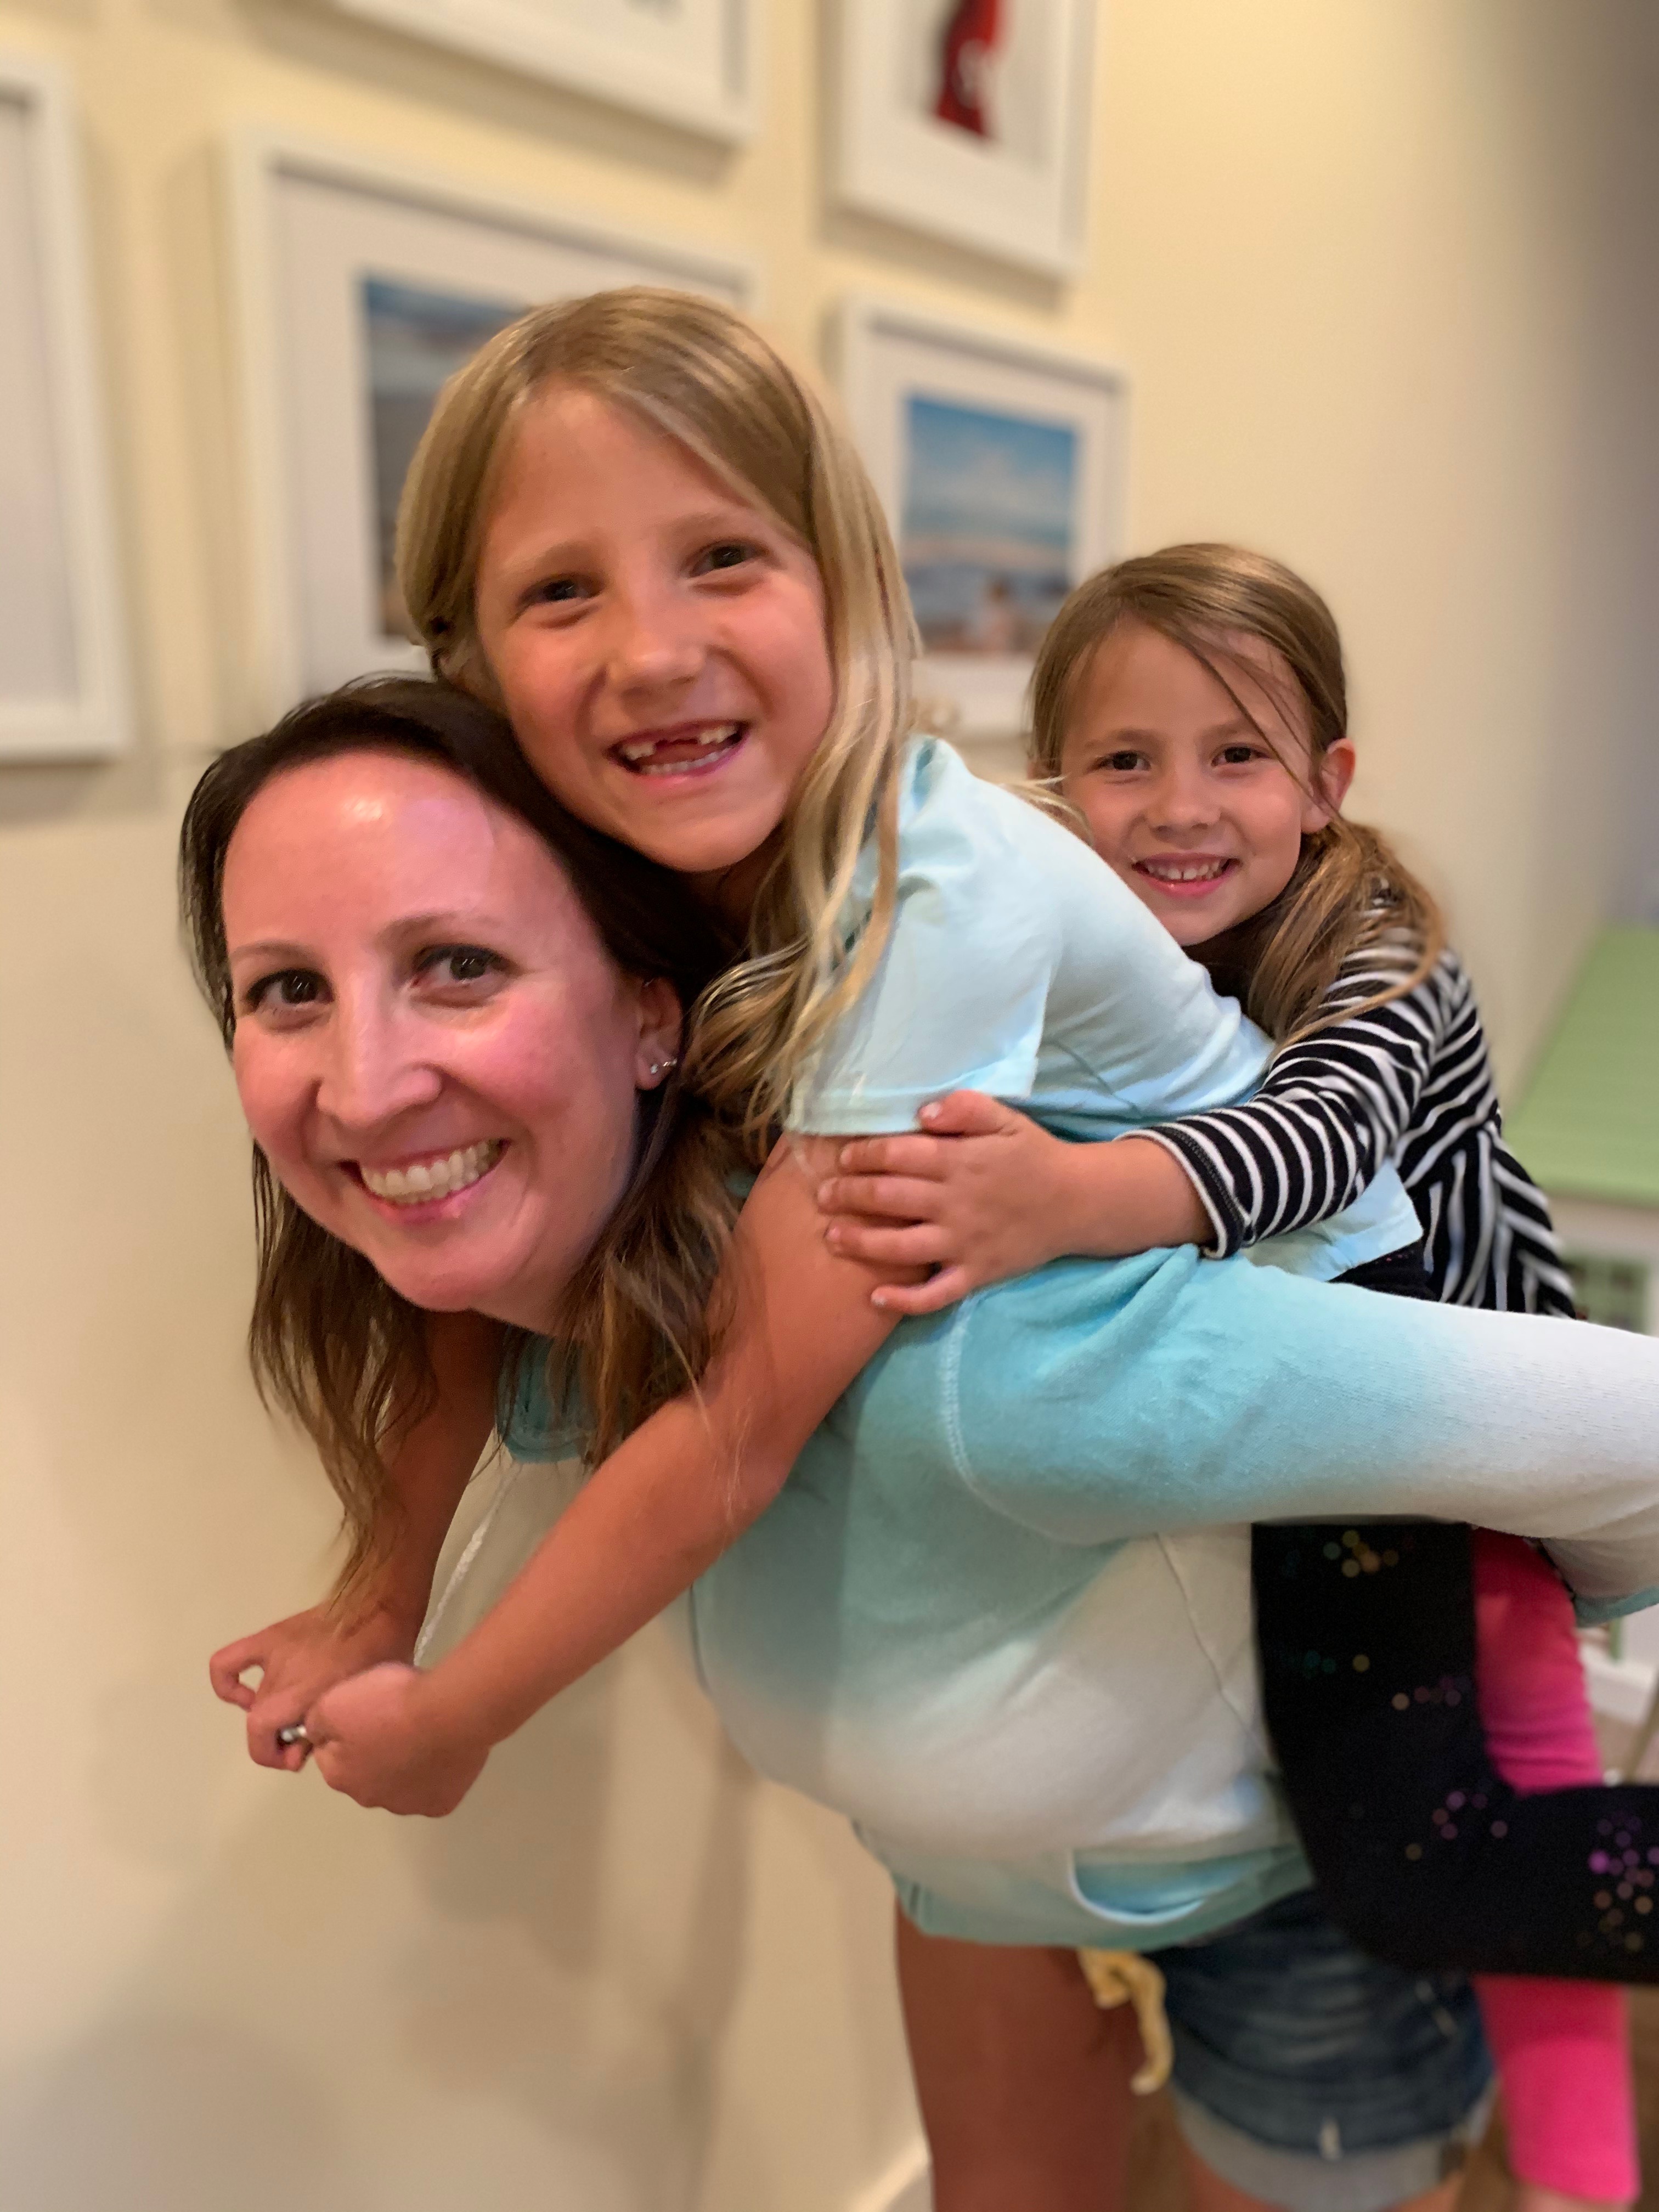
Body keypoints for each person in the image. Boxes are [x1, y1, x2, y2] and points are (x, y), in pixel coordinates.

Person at [203, 293, 1659, 2205]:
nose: (652, 647)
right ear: (467, 657)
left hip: (1308, 1289)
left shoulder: (926, 889)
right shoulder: (677, 879)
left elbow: (744, 1422)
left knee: (1418, 1846)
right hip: (1011, 1830)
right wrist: (383, 1592)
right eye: (563, 590)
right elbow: (463, 1307)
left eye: (722, 558)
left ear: (851, 589)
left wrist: (461, 1712)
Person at [816, 543, 1643, 2206]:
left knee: (1437, 1854)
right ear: (1058, 786)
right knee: (1465, 1862)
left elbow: (1318, 1141)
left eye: (1238, 755)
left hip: (1456, 1475)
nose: (1180, 806)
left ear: (1328, 785)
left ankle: (1573, 2162)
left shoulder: (1384, 949)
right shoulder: (1080, 939)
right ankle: (1575, 2160)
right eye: (1126, 760)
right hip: (1318, 1466)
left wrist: (1063, 1199)